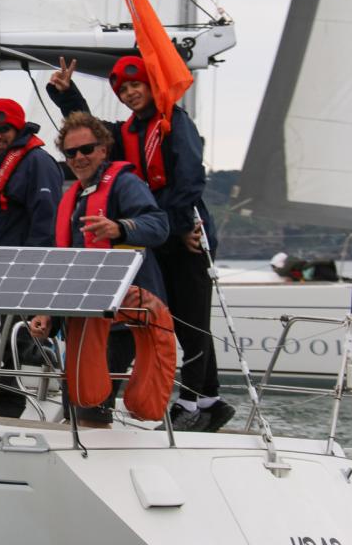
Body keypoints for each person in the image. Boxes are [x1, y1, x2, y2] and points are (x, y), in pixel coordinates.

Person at [47, 55, 234, 432]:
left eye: (137, 85)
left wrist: (176, 228)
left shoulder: (175, 123)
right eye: (124, 89)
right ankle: (210, 400)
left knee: (191, 320)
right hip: (157, 236)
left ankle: (191, 401)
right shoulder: (126, 131)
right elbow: (91, 136)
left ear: (152, 85)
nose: (130, 92)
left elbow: (189, 180)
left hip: (183, 235)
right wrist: (67, 95)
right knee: (177, 317)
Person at [55, 111, 169, 427]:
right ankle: (85, 442)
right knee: (75, 399)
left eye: (87, 149)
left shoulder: (125, 184)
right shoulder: (74, 198)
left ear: (104, 149)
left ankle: (94, 445)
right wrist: (48, 317)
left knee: (90, 406)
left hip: (124, 316)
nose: (79, 157)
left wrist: (119, 228)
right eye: (71, 152)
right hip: (87, 314)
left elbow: (159, 225)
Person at [0, 98, 63, 416]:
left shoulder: (37, 163)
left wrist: (35, 275)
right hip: (2, 273)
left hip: (26, 273)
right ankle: (6, 411)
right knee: (8, 342)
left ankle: (10, 412)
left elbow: (46, 223)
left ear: (18, 128)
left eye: (3, 129)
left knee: (16, 344)